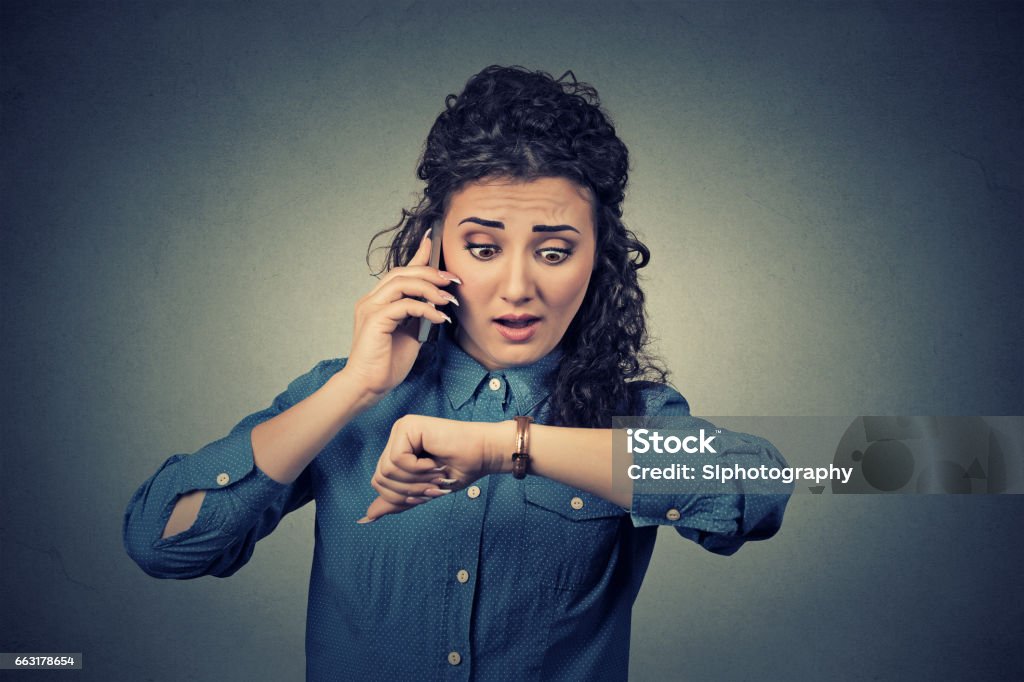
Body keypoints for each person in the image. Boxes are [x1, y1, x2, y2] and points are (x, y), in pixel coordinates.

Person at [123, 65, 791, 680]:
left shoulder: (631, 416)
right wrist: (355, 386)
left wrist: (508, 447)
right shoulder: (347, 399)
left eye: (554, 251)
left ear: (598, 262)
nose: (517, 286)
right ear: (433, 246)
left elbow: (761, 488)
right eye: (483, 247)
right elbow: (163, 542)